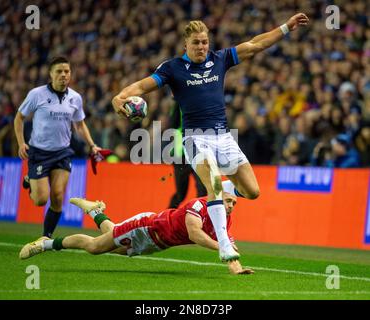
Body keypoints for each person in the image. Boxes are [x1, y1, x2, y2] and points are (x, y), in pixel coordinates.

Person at [112, 14, 309, 262]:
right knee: (213, 187)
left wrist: (285, 28)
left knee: (252, 191)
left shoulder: (220, 59)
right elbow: (140, 88)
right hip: (196, 139)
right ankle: (224, 244)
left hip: (224, 138)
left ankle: (227, 186)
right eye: (196, 43)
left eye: (204, 42)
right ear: (186, 44)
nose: (201, 47)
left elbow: (255, 45)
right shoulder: (172, 68)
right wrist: (119, 98)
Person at [19, 194, 254, 275]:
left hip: (156, 244)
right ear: (217, 198)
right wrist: (221, 247)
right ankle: (45, 243)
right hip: (146, 227)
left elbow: (229, 246)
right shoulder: (199, 206)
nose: (231, 205)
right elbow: (194, 234)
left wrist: (236, 268)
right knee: (95, 247)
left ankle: (96, 211)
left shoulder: (225, 221)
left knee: (111, 239)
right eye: (227, 200)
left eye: (234, 202)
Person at [14, 56, 102, 238]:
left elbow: (79, 124)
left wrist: (93, 145)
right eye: (59, 71)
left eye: (67, 71)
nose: (63, 75)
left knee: (58, 196)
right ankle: (30, 178)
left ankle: (46, 237)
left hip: (62, 152)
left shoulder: (75, 98)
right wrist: (21, 142)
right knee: (40, 200)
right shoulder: (37, 94)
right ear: (51, 74)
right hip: (39, 152)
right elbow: (19, 118)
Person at [168, 102, 206, 208]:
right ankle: (165, 219)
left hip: (197, 151)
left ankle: (199, 218)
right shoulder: (180, 102)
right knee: (181, 194)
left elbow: (172, 125)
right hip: (182, 154)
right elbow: (172, 124)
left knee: (202, 190)